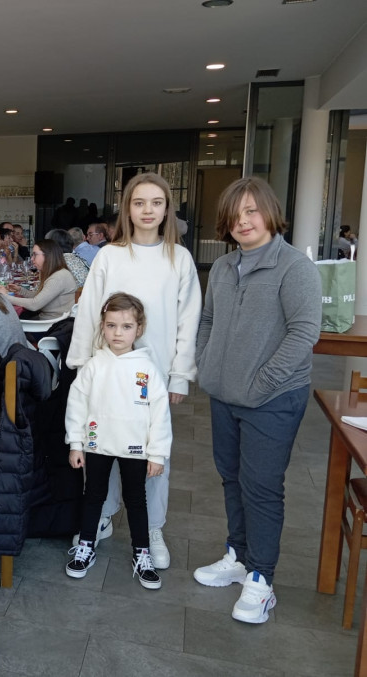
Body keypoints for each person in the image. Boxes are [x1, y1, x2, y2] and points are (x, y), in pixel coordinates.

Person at [193, 177, 321, 624]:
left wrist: (262, 380)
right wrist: (206, 364)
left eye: (252, 211)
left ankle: (262, 579)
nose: (243, 221)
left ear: (269, 212)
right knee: (231, 477)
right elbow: (207, 322)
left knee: (262, 487)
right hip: (225, 394)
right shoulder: (225, 268)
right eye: (235, 214)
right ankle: (239, 556)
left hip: (273, 398)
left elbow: (305, 333)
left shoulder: (293, 267)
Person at [66, 172, 201, 571]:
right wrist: (81, 365)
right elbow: (90, 312)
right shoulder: (109, 255)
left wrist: (179, 375)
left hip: (153, 375)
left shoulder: (179, 258)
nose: (147, 210)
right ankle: (103, 514)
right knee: (102, 445)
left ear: (166, 209)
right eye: (139, 202)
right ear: (127, 208)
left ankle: (153, 528)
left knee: (154, 453)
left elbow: (187, 321)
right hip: (106, 373)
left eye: (155, 203)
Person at [65, 293, 170, 590]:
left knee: (136, 500)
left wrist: (157, 454)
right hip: (97, 445)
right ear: (102, 326)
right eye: (111, 326)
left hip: (135, 449)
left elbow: (160, 414)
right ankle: (86, 545)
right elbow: (77, 405)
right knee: (93, 496)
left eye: (126, 326)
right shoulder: (94, 366)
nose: (118, 333)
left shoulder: (147, 368)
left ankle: (142, 553)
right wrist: (76, 443)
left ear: (139, 328)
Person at [0, 239, 77, 320]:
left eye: (35, 254)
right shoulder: (56, 273)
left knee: (7, 320)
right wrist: (20, 290)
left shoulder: (59, 277)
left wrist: (5, 297)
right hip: (48, 320)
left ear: (48, 255)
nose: (32, 259)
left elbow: (34, 305)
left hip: (50, 326)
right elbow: (40, 297)